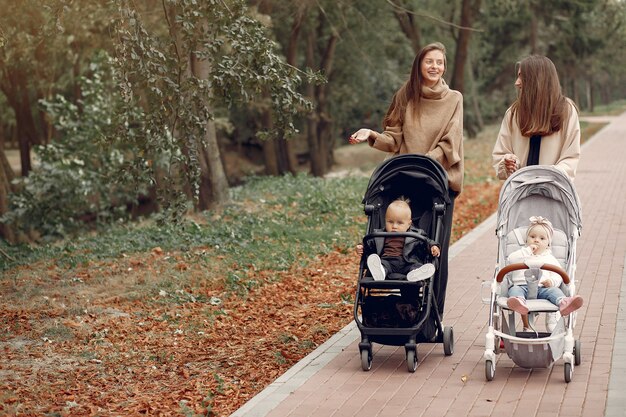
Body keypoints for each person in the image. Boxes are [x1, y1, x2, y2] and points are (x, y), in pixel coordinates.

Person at [349, 42, 463, 314]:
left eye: (439, 62)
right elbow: (393, 139)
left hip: (437, 178)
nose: (435, 67)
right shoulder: (405, 95)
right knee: (395, 243)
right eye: (429, 61)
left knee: (431, 248)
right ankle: (392, 313)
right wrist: (372, 134)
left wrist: (425, 162)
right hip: (403, 178)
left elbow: (450, 141)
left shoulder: (454, 99)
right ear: (419, 65)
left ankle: (430, 317)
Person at [492, 55, 581, 180]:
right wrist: (508, 162)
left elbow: (570, 158)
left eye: (521, 76)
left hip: (553, 194)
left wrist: (545, 178)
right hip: (520, 195)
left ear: (537, 80)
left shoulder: (566, 111)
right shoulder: (513, 113)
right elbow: (500, 154)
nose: (517, 83)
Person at [505, 216, 583, 328]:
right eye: (532, 237)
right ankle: (519, 302)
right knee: (514, 290)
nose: (536, 240)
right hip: (522, 287)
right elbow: (511, 259)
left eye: (542, 239)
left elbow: (559, 274)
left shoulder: (549, 258)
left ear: (548, 243)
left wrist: (551, 281)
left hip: (542, 288)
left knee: (553, 291)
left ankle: (563, 302)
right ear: (526, 239)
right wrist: (527, 251)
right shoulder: (521, 254)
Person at [356, 198, 440, 282]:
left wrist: (433, 246)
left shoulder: (416, 234)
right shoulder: (379, 234)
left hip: (408, 263)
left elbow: (426, 241)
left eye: (399, 223)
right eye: (390, 222)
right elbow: (368, 243)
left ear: (409, 224)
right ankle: (380, 272)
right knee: (382, 265)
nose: (394, 226)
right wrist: (362, 246)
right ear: (385, 220)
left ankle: (416, 274)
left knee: (416, 266)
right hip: (387, 261)